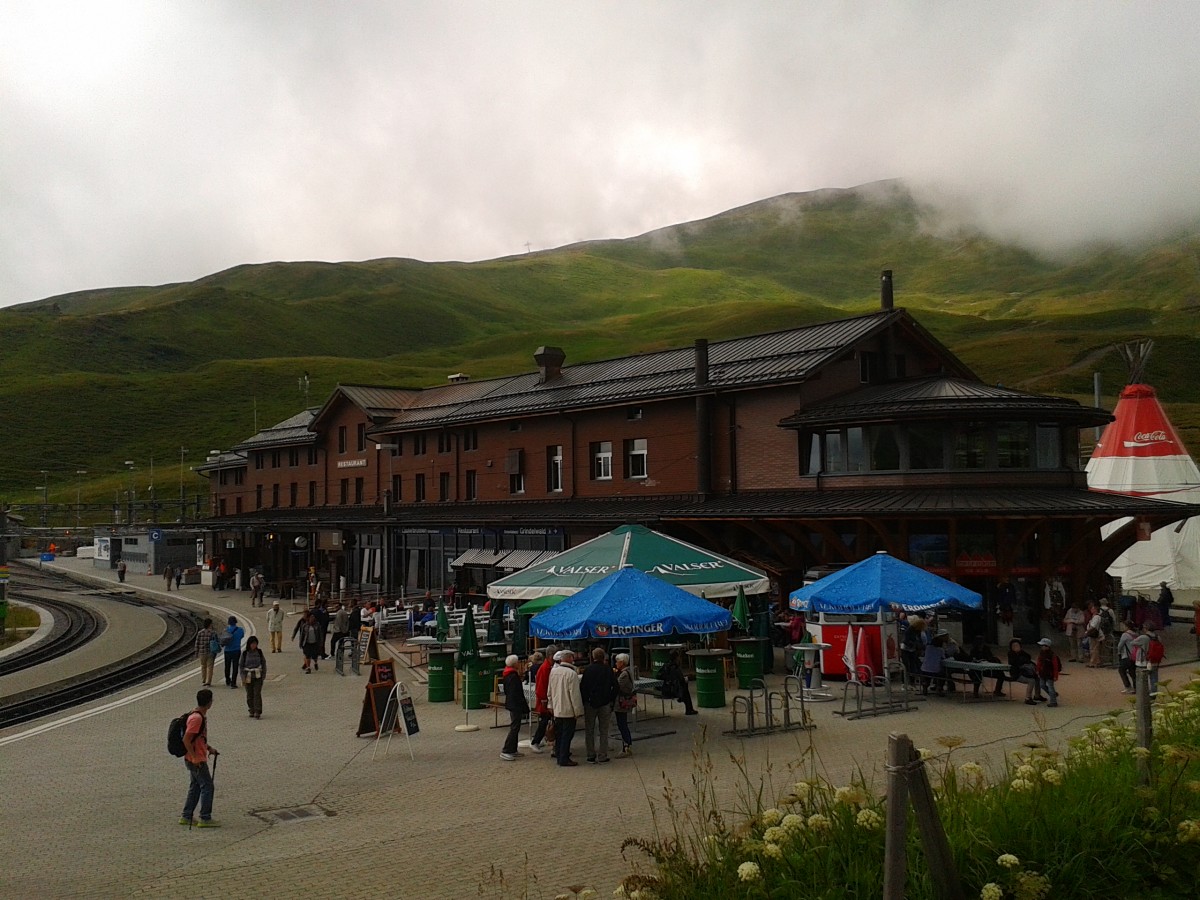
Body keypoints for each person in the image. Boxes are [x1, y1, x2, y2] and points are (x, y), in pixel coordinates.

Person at [180, 688, 220, 827]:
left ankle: (186, 816)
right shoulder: (197, 718)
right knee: (208, 787)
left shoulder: (197, 715)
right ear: (209, 703)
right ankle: (205, 818)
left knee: (195, 786)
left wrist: (209, 748)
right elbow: (187, 739)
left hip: (195, 757)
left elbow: (198, 739)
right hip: (196, 760)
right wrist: (195, 757)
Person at [548, 649, 584, 766]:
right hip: (568, 709)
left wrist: (551, 705)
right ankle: (564, 758)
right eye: (572, 657)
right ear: (569, 659)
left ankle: (559, 754)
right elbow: (574, 695)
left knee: (559, 734)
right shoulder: (571, 674)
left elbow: (549, 691)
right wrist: (578, 711)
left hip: (557, 709)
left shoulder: (553, 672)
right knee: (567, 735)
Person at [580, 647, 616, 764]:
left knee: (589, 730)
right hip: (605, 703)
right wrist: (611, 700)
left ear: (593, 657)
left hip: (590, 704)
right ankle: (602, 754)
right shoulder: (608, 670)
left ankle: (590, 754)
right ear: (604, 657)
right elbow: (615, 686)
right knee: (604, 730)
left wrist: (586, 700)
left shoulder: (588, 670)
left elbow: (583, 687)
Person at [499, 655, 529, 761]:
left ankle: (512, 749)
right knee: (514, 727)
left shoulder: (507, 674)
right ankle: (506, 750)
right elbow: (515, 692)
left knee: (516, 726)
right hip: (515, 704)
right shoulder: (513, 676)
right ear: (514, 664)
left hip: (512, 703)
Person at [529, 647, 555, 754]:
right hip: (544, 702)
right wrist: (544, 700)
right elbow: (540, 687)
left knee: (545, 722)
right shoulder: (544, 669)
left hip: (545, 700)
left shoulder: (547, 667)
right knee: (544, 722)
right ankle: (535, 742)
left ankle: (539, 740)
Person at [658, 649, 698, 715]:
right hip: (671, 690)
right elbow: (680, 679)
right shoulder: (675, 667)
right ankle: (688, 708)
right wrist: (689, 678)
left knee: (684, 685)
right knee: (684, 686)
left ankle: (687, 706)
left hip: (665, 688)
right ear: (676, 658)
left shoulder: (666, 665)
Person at [967, 634, 1006, 698]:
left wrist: (988, 659)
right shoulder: (974, 650)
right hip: (977, 669)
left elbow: (990, 657)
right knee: (977, 675)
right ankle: (975, 692)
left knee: (1001, 674)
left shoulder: (986, 648)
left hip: (987, 668)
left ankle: (997, 690)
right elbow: (971, 659)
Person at [1007, 638, 1043, 704]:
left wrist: (1021, 652)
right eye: (1014, 646)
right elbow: (1015, 662)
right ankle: (1028, 698)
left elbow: (1028, 657)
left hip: (1026, 672)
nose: (1015, 647)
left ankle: (1037, 695)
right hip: (1017, 674)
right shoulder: (1011, 654)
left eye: (1017, 645)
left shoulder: (1022, 653)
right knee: (1031, 681)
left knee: (1037, 678)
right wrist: (1022, 660)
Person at [613, 652, 636, 756]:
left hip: (621, 703)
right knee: (622, 723)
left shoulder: (623, 675)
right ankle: (626, 744)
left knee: (622, 724)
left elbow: (616, 687)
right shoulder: (626, 672)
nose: (616, 663)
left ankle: (626, 746)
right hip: (623, 701)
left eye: (617, 661)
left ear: (622, 662)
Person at [239, 635, 267, 718]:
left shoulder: (259, 652)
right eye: (252, 644)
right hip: (248, 676)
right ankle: (251, 709)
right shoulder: (244, 653)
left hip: (257, 676)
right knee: (249, 694)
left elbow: (263, 663)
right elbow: (241, 666)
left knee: (257, 693)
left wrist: (263, 675)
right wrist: (242, 677)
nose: (254, 645)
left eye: (255, 644)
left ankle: (258, 710)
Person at [1035, 638, 1060, 707]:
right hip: (1042, 673)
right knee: (1042, 685)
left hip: (1050, 674)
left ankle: (1053, 701)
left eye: (1043, 645)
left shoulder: (1052, 655)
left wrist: (1055, 676)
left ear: (1047, 646)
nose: (1041, 647)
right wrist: (1037, 670)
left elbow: (1055, 666)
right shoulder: (1041, 654)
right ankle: (1053, 695)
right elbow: (1039, 662)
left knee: (1050, 687)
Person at [220, 616, 244, 689]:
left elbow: (222, 639)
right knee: (235, 666)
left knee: (227, 666)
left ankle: (227, 680)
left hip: (227, 650)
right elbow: (241, 636)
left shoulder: (226, 630)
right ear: (236, 622)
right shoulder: (240, 630)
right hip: (236, 650)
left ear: (229, 622)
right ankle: (233, 682)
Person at [1116, 621, 1138, 693]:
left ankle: (1127, 686)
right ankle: (1136, 687)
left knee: (1121, 670)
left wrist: (1119, 652)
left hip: (1126, 655)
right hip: (1134, 656)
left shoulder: (1125, 635)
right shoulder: (1135, 634)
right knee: (1133, 672)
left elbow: (1120, 645)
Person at [195, 617, 217, 687]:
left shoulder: (200, 633)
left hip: (202, 652)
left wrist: (196, 652)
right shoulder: (213, 633)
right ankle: (208, 681)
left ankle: (203, 680)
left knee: (203, 666)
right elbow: (217, 642)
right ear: (210, 624)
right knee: (210, 667)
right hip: (210, 652)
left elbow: (197, 643)